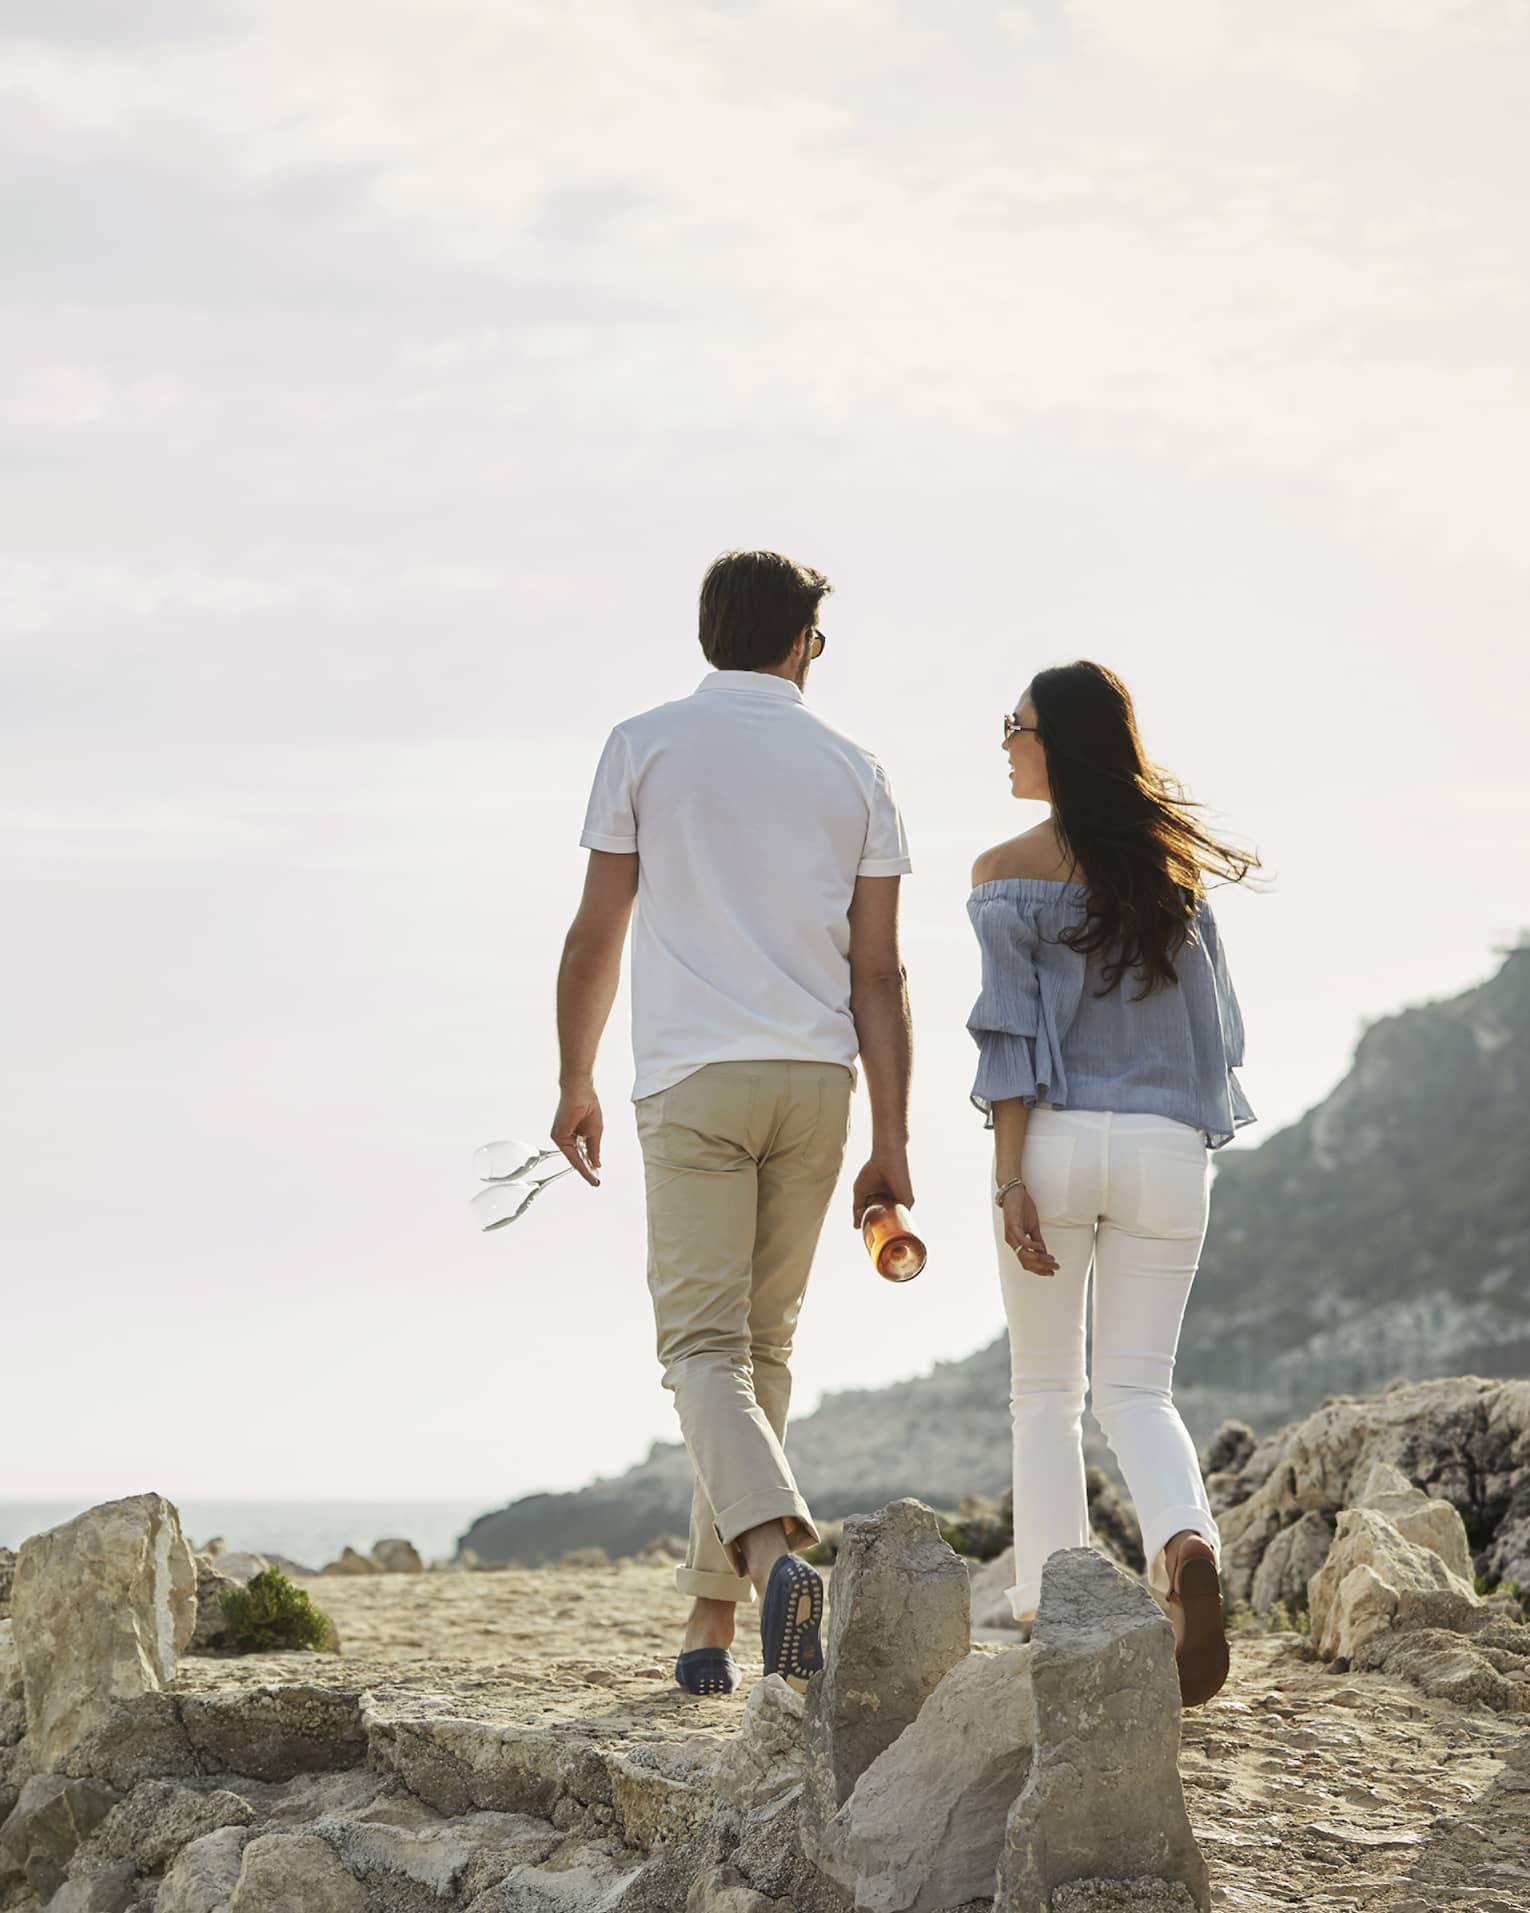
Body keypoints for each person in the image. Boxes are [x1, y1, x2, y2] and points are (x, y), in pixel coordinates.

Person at [551, 550, 914, 1696]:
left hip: (695, 1082)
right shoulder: (857, 769)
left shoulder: (644, 743)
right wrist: (891, 1140)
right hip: (817, 1085)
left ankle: (768, 1560)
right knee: (759, 1352)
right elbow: (881, 973)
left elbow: (596, 932)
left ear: (712, 630)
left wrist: (574, 1077)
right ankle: (710, 1630)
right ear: (803, 640)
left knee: (702, 1347)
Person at [968, 660, 1258, 1707]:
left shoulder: (1004, 872)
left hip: (1052, 1138)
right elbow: (1218, 1035)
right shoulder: (1172, 871)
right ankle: (1185, 1546)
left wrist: (1010, 1178)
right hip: (1167, 1148)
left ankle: (1058, 1609)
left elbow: (1011, 1042)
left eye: (1019, 724)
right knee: (1141, 1389)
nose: (1005, 740)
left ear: (1063, 741)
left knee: (1047, 1390)